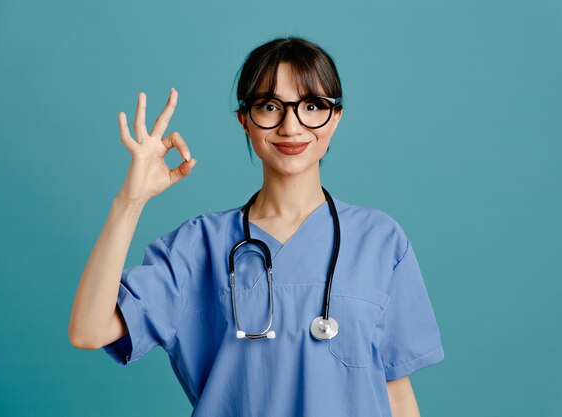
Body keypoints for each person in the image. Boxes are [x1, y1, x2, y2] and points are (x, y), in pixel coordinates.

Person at [68, 36, 444, 417]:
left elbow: (396, 393)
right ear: (245, 119)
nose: (291, 125)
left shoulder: (380, 241)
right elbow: (89, 330)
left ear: (336, 117)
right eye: (269, 106)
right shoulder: (198, 247)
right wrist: (129, 202)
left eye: (312, 105)